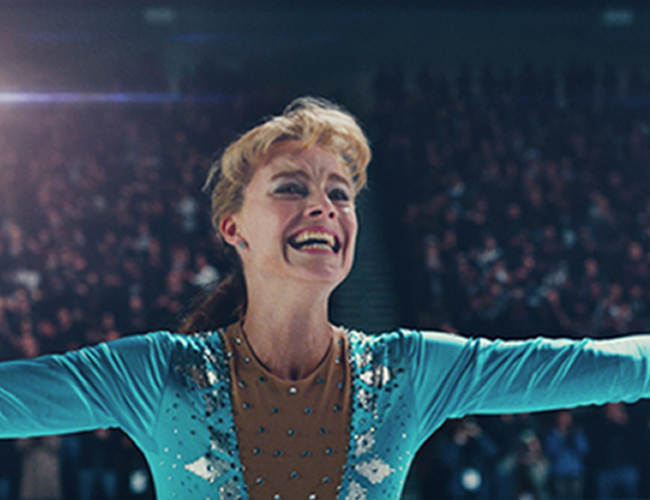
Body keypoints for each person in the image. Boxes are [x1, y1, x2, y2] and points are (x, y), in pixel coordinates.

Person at [3, 97, 650, 500]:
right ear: (234, 228)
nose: (324, 205)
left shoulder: (409, 373)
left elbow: (606, 366)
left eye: (340, 193)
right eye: (291, 187)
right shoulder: (158, 375)